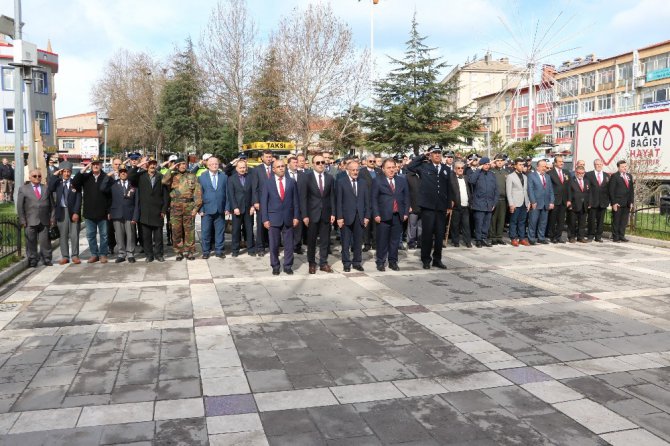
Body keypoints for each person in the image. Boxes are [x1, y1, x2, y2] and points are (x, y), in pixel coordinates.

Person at [407, 146, 450, 269]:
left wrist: (449, 205)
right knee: (427, 234)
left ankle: (437, 259)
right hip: (428, 207)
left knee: (439, 234)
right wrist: (423, 155)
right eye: (434, 153)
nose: (437, 155)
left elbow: (448, 187)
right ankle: (426, 259)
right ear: (430, 155)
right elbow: (410, 167)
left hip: (441, 207)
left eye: (439, 153)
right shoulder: (424, 166)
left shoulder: (446, 169)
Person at [260, 159, 300, 275]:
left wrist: (296, 216)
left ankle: (288, 265)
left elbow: (295, 201)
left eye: (283, 166)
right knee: (274, 244)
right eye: (279, 167)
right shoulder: (268, 183)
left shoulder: (292, 182)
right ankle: (275, 266)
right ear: (273, 169)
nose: (281, 168)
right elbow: (264, 202)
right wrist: (265, 219)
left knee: (289, 245)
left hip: (288, 218)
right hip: (273, 219)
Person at [299, 154, 336, 274]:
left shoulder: (330, 178)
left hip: (326, 214)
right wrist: (304, 215)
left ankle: (324, 263)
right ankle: (311, 263)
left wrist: (333, 213)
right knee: (311, 241)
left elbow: (332, 197)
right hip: (311, 214)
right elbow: (303, 198)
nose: (321, 165)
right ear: (312, 164)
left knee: (325, 240)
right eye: (318, 163)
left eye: (323, 162)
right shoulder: (306, 177)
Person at [72, 158, 113, 263]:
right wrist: (83, 169)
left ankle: (103, 254)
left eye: (97, 164)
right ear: (91, 165)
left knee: (104, 235)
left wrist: (109, 211)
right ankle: (94, 254)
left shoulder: (106, 177)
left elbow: (110, 196)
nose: (95, 166)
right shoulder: (86, 177)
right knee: (90, 235)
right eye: (93, 164)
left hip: (103, 212)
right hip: (89, 212)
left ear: (101, 165)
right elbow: (75, 183)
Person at [372, 158, 409, 271]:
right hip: (383, 216)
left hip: (398, 215)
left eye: (393, 167)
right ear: (383, 169)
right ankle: (381, 262)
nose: (392, 170)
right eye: (389, 168)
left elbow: (407, 197)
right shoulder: (377, 181)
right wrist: (376, 214)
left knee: (395, 241)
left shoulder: (401, 180)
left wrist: (406, 212)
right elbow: (373, 199)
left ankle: (393, 261)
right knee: (382, 240)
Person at [129, 158, 169, 262]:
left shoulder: (161, 177)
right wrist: (138, 166)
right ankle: (149, 255)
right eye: (150, 164)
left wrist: (164, 210)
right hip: (145, 212)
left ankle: (159, 254)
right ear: (147, 165)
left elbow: (165, 196)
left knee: (158, 237)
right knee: (146, 237)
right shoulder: (141, 176)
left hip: (158, 212)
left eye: (154, 164)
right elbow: (130, 176)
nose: (152, 166)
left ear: (156, 165)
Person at [163, 159, 203, 260]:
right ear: (176, 165)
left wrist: (196, 208)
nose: (182, 166)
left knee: (189, 230)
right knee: (176, 230)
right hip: (175, 206)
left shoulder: (192, 176)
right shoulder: (172, 176)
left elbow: (197, 193)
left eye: (184, 164)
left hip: (189, 206)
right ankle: (178, 252)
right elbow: (163, 181)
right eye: (180, 164)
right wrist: (170, 169)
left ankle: (189, 251)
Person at [17, 169, 55, 267]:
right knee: (31, 242)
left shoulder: (46, 188)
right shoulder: (23, 189)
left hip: (44, 220)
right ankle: (33, 259)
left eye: (39, 176)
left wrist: (52, 218)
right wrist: (22, 220)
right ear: (29, 177)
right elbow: (20, 206)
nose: (37, 178)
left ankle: (46, 258)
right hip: (30, 220)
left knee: (45, 242)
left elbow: (52, 205)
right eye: (34, 176)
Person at [336, 160, 369, 272]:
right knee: (345, 241)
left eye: (357, 170)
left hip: (360, 216)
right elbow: (338, 201)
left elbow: (367, 201)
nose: (355, 172)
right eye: (353, 170)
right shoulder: (341, 182)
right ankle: (346, 263)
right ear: (348, 170)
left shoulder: (363, 182)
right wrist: (339, 217)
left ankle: (357, 262)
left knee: (358, 242)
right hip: (346, 217)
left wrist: (367, 216)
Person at [47, 162, 82, 265]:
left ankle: (75, 256)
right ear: (61, 172)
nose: (66, 174)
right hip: (61, 211)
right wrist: (55, 174)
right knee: (63, 235)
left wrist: (76, 212)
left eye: (68, 172)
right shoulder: (58, 183)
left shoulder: (75, 183)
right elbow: (50, 188)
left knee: (74, 234)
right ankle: (65, 256)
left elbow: (79, 198)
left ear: (71, 172)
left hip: (73, 212)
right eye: (64, 172)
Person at [198, 156, 227, 259]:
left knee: (220, 232)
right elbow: (199, 194)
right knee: (206, 232)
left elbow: (227, 193)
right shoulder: (202, 177)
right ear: (208, 165)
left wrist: (227, 207)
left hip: (220, 209)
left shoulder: (224, 176)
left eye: (216, 164)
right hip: (206, 210)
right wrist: (200, 209)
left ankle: (219, 251)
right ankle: (206, 251)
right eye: (212, 164)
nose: (215, 166)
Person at [109, 165, 139, 263]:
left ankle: (130, 254)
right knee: (119, 235)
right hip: (117, 214)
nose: (123, 173)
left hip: (129, 214)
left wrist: (135, 216)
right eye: (121, 171)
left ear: (127, 173)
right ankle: (121, 254)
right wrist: (110, 175)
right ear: (119, 173)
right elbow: (102, 188)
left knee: (130, 235)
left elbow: (136, 203)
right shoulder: (114, 185)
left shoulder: (133, 186)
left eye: (125, 171)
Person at [227, 159, 255, 257]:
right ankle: (235, 250)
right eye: (241, 168)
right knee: (236, 230)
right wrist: (234, 207)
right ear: (236, 168)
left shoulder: (251, 178)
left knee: (249, 230)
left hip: (248, 209)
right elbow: (231, 195)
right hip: (237, 209)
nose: (243, 169)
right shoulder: (231, 179)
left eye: (244, 167)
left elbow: (254, 193)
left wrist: (253, 206)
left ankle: (251, 249)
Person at [468, 157, 498, 248]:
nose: (487, 166)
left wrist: (494, 203)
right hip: (479, 203)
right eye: (485, 164)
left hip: (489, 203)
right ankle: (478, 240)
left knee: (486, 223)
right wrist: (478, 170)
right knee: (479, 223)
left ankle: (484, 238)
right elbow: (471, 181)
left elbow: (496, 190)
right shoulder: (476, 174)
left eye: (488, 164)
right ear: (481, 165)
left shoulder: (492, 175)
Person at [251, 150, 274, 256]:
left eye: (270, 157)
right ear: (262, 158)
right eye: (267, 157)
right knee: (261, 225)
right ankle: (260, 247)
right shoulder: (257, 170)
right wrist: (255, 201)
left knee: (273, 224)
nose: (269, 158)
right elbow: (254, 187)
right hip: (261, 202)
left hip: (274, 202)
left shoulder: (275, 168)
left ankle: (272, 246)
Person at [527, 159, 554, 245]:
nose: (544, 168)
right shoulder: (531, 176)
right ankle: (531, 238)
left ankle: (541, 238)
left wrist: (551, 201)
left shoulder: (547, 176)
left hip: (545, 203)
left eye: (545, 166)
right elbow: (530, 189)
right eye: (543, 166)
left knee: (543, 222)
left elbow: (550, 190)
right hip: (536, 203)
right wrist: (533, 201)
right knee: (533, 222)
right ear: (537, 167)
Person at [359, 154, 382, 252]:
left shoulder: (379, 171)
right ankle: (367, 243)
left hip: (377, 201)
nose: (372, 163)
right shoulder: (361, 172)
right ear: (366, 162)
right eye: (370, 161)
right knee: (367, 223)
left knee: (376, 223)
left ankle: (375, 243)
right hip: (366, 200)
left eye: (374, 161)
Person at [505, 158, 530, 247]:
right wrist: (511, 204)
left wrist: (528, 202)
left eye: (523, 164)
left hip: (524, 202)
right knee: (513, 221)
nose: (522, 166)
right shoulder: (510, 176)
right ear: (515, 166)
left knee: (522, 221)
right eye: (520, 164)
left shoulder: (525, 177)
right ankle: (513, 238)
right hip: (515, 202)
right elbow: (509, 191)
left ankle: (522, 238)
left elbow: (526, 190)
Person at [448, 161, 472, 248]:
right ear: (454, 169)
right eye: (458, 168)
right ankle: (455, 241)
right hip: (456, 206)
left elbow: (469, 190)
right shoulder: (451, 178)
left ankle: (467, 241)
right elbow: (449, 191)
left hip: (465, 205)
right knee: (455, 225)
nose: (460, 169)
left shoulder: (466, 178)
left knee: (466, 225)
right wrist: (450, 200)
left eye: (462, 168)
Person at [609, 159, 634, 243]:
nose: (625, 168)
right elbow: (611, 191)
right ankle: (615, 237)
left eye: (625, 166)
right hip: (618, 202)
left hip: (626, 202)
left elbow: (631, 190)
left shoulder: (629, 176)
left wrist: (631, 202)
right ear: (618, 167)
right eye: (622, 167)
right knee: (616, 220)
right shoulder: (614, 176)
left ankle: (621, 235)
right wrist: (613, 203)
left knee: (624, 221)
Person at [585, 159, 610, 242]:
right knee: (591, 220)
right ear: (594, 165)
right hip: (592, 202)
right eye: (597, 164)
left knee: (600, 220)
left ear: (602, 165)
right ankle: (590, 235)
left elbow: (608, 189)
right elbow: (586, 189)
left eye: (600, 164)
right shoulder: (588, 175)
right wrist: (588, 201)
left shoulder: (606, 175)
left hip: (603, 202)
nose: (598, 166)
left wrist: (608, 200)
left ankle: (598, 236)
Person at [547, 155, 570, 243]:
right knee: (552, 219)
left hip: (564, 200)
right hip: (554, 200)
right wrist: (550, 200)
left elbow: (569, 186)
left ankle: (559, 236)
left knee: (561, 220)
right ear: (555, 163)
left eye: (562, 161)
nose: (562, 163)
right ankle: (552, 236)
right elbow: (549, 188)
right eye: (560, 161)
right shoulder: (550, 173)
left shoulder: (566, 172)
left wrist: (569, 199)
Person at [286, 155, 305, 254]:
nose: (296, 164)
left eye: (296, 162)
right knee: (288, 227)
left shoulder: (302, 174)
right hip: (288, 205)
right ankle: (289, 246)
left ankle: (297, 246)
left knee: (299, 227)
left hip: (300, 205)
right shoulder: (284, 174)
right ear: (288, 164)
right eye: (293, 162)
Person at [489, 154, 509, 245]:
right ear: (494, 161)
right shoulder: (491, 172)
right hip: (494, 199)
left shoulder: (506, 172)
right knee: (493, 219)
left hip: (503, 199)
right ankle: (492, 237)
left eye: (501, 160)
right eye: (497, 160)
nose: (500, 162)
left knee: (501, 219)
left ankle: (499, 237)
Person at [567, 165, 590, 243]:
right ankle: (571, 237)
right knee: (572, 222)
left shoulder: (586, 181)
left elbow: (589, 193)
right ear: (576, 173)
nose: (580, 174)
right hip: (574, 205)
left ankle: (581, 237)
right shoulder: (571, 181)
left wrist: (589, 202)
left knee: (582, 223)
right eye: (579, 173)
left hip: (584, 205)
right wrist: (569, 202)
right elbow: (569, 192)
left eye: (582, 173)